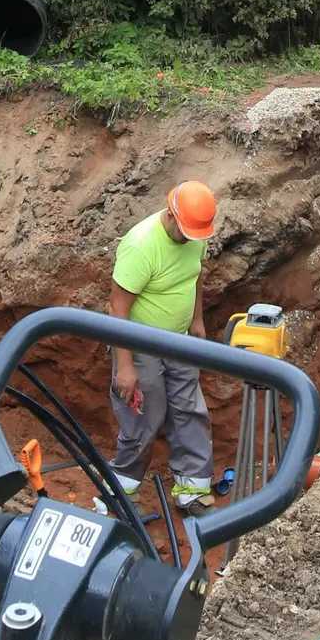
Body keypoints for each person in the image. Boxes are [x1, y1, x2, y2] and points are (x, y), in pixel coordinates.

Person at [108, 180, 218, 515]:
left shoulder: (195, 236)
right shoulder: (141, 246)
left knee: (189, 410)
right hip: (140, 344)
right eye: (186, 232)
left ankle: (192, 491)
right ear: (171, 215)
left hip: (179, 339)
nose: (191, 240)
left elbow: (195, 276)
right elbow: (117, 309)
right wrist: (125, 367)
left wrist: (196, 321)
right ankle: (121, 493)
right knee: (145, 415)